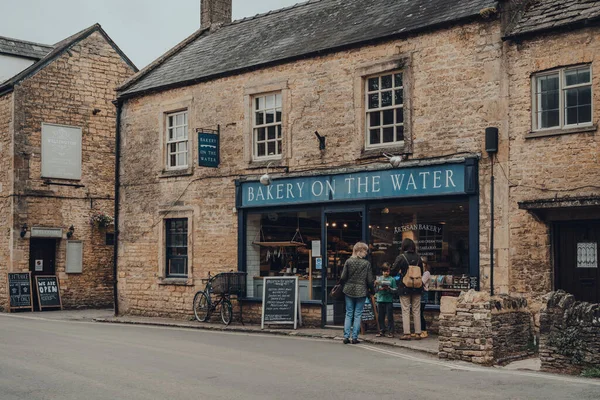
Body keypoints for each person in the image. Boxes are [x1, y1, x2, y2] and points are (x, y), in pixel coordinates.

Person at [340, 242, 374, 344]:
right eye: (365, 251)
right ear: (359, 251)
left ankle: (346, 337)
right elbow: (369, 280)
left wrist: (345, 285)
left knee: (349, 313)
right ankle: (354, 337)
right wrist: (372, 290)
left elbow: (343, 277)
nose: (366, 253)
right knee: (358, 314)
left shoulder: (348, 261)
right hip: (361, 291)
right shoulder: (366, 264)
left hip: (348, 289)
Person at [391, 238, 424, 340]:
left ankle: (407, 333)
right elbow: (421, 272)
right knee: (416, 310)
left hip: (405, 286)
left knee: (405, 310)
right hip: (417, 286)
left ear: (404, 246)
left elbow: (393, 272)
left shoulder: (401, 257)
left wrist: (401, 272)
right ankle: (418, 333)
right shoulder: (418, 258)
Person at [375, 263, 397, 338]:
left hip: (388, 300)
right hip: (380, 299)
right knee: (380, 317)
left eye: (387, 271)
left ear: (389, 271)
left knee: (389, 316)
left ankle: (391, 332)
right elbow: (375, 290)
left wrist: (389, 289)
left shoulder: (392, 279)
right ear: (382, 271)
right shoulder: (379, 279)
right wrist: (378, 288)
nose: (386, 273)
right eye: (384, 271)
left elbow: (395, 290)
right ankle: (382, 330)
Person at [420, 257, 431, 339]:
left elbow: (421, 282)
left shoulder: (426, 273)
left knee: (420, 313)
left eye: (423, 263)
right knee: (417, 313)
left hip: (423, 294)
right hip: (418, 294)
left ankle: (424, 330)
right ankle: (420, 330)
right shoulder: (419, 272)